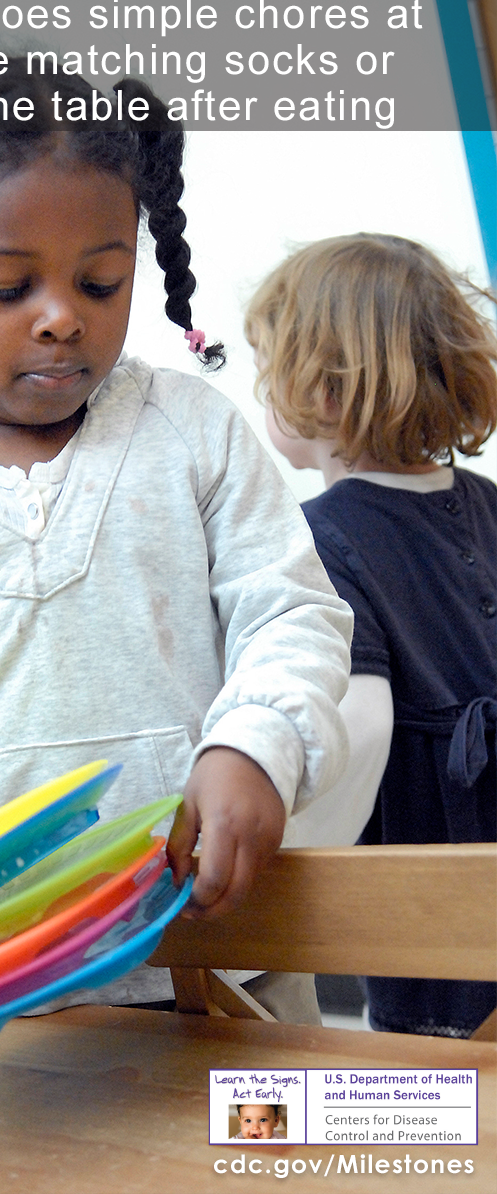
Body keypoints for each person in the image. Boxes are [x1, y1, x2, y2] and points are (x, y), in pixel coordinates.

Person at [0, 61, 353, 1039]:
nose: (61, 315)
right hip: (14, 986)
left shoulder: (192, 433)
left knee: (271, 1167)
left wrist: (253, 741)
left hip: (235, 965)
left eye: (100, 278)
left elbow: (290, 614)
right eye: (7, 286)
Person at [245, 233, 497, 1037]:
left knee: (443, 1102)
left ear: (316, 392)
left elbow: (357, 730)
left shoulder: (320, 536)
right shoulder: (491, 502)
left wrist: (267, 877)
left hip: (437, 898)